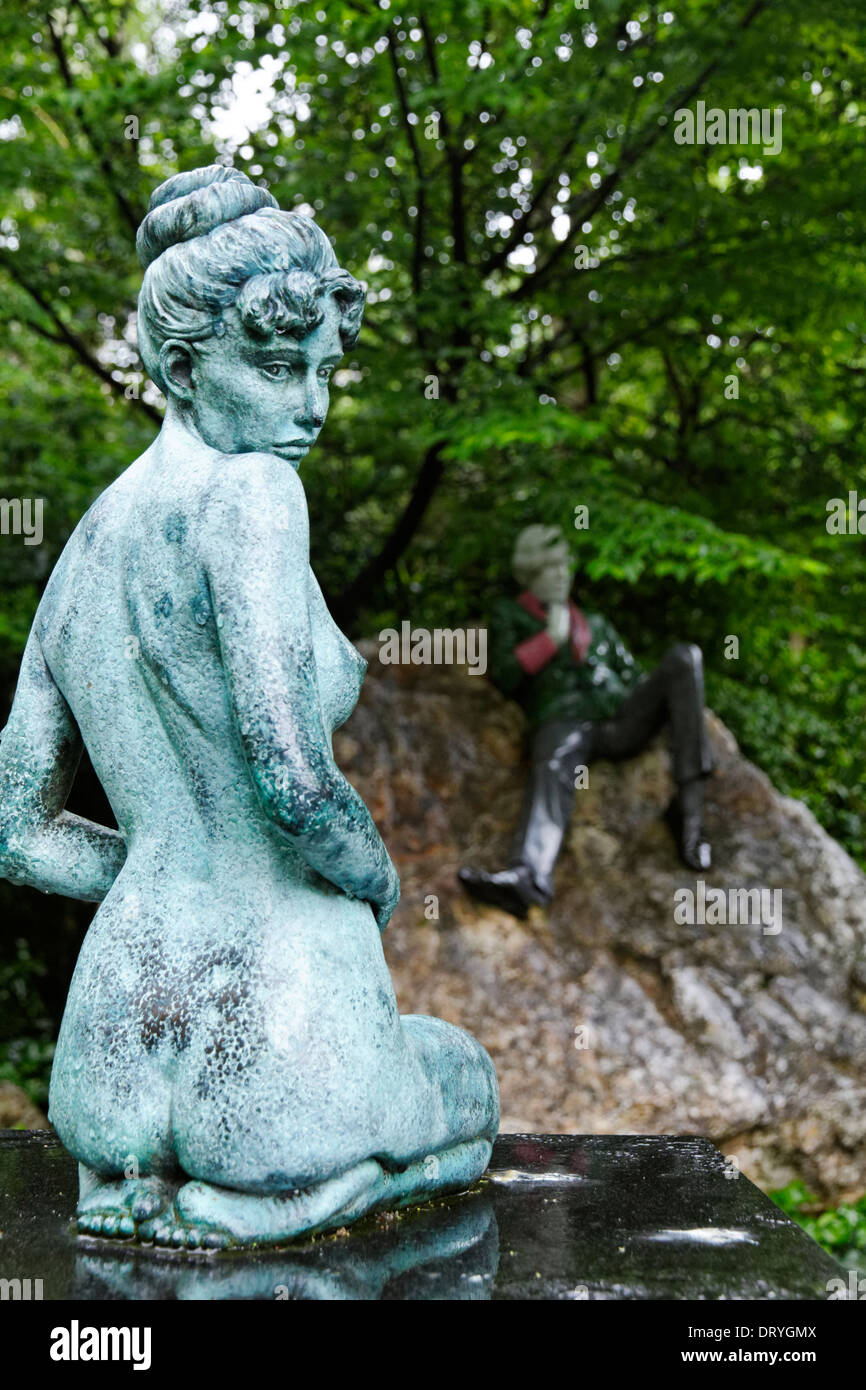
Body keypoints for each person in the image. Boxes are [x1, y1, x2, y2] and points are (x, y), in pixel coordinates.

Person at [0, 166, 498, 1249]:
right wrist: (372, 879)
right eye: (277, 366)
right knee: (469, 1084)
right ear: (181, 365)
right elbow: (289, 774)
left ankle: (156, 1192)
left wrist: (154, 864)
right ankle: (276, 1200)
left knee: (142, 1185)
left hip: (110, 1065)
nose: (310, 404)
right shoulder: (255, 495)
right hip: (275, 1036)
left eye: (323, 369)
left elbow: (17, 832)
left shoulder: (86, 543)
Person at [459, 524, 714, 920]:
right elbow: (505, 675)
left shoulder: (595, 622)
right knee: (555, 763)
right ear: (529, 574)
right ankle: (529, 876)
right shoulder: (510, 615)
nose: (562, 575)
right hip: (564, 718)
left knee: (686, 658)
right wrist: (549, 640)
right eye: (550, 568)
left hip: (620, 719)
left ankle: (690, 812)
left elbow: (634, 677)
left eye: (565, 566)